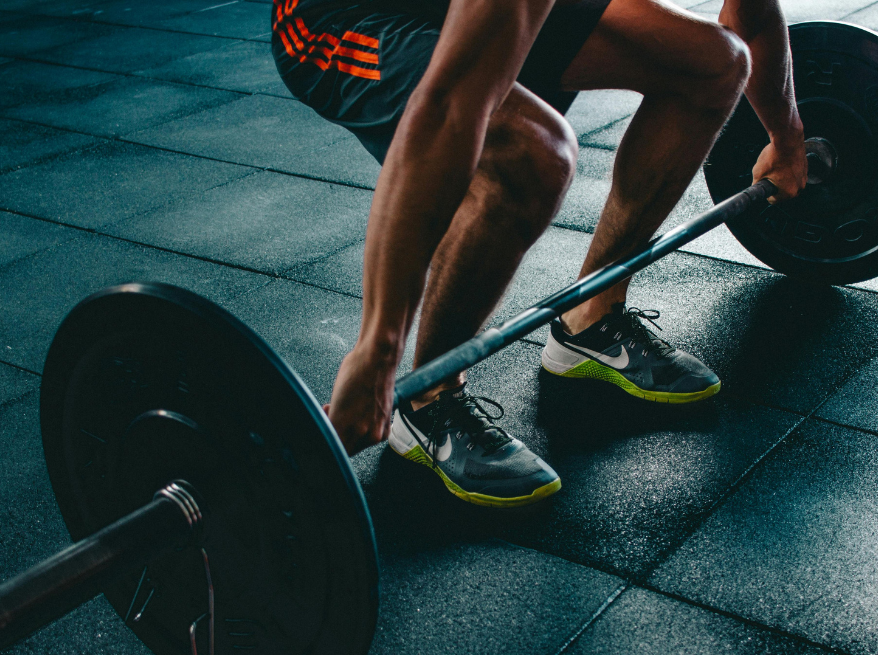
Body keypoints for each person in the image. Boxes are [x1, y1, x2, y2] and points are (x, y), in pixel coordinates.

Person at [272, 0, 806, 507]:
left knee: (714, 64)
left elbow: (751, 18)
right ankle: (428, 400)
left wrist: (786, 136)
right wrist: (377, 350)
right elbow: (451, 105)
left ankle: (590, 318)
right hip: (340, 17)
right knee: (533, 153)